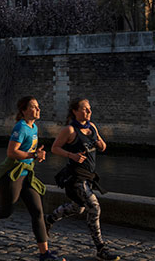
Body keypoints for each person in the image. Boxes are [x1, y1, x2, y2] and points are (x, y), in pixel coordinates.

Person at [0, 96, 65, 261]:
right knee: (6, 211)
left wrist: (36, 156)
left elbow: (28, 152)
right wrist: (34, 154)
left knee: (38, 212)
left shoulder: (33, 127)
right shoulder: (20, 127)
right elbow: (12, 152)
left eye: (38, 106)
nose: (38, 109)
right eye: (34, 107)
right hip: (12, 175)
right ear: (24, 111)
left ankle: (44, 254)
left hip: (26, 174)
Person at [45, 98, 120, 261]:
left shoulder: (91, 127)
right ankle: (101, 249)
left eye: (89, 109)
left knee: (79, 207)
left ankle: (49, 219)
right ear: (75, 111)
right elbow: (54, 148)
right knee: (94, 207)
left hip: (89, 176)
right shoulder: (70, 130)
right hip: (76, 177)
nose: (89, 112)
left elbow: (103, 146)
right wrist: (71, 155)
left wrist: (99, 142)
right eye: (85, 109)